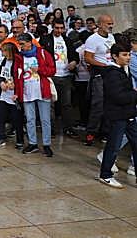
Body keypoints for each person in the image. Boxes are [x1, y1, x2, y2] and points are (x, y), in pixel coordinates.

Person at [98, 42, 137, 189]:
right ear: (115, 56)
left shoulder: (122, 70)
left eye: (129, 54)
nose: (128, 58)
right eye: (125, 55)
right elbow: (118, 96)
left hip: (129, 114)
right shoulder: (112, 73)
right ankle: (106, 175)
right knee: (113, 146)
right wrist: (135, 93)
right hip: (117, 115)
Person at [16, 33, 56, 156]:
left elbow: (52, 70)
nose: (21, 47)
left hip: (42, 90)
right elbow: (16, 76)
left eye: (22, 44)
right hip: (27, 91)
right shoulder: (19, 57)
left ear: (29, 43)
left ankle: (46, 144)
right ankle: (32, 143)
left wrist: (40, 70)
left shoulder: (42, 53)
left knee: (45, 119)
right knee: (30, 119)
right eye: (20, 44)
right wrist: (17, 92)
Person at [39, 18, 79, 137]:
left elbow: (74, 55)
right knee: (50, 103)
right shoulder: (45, 40)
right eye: (57, 28)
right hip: (51, 75)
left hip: (65, 75)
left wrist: (74, 62)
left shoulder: (67, 40)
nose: (59, 30)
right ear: (52, 27)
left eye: (61, 28)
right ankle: (49, 128)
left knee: (66, 104)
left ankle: (68, 128)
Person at [83, 14, 115, 145]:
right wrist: (104, 66)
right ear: (100, 24)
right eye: (108, 23)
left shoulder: (112, 37)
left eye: (112, 23)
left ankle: (106, 132)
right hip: (100, 74)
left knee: (110, 103)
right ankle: (91, 132)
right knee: (98, 104)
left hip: (112, 74)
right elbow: (88, 58)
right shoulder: (92, 39)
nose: (111, 26)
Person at [0, 43, 24, 149]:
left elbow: (21, 76)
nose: (2, 53)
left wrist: (15, 84)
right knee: (1, 117)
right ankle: (1, 138)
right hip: (4, 95)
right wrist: (1, 82)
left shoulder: (18, 61)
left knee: (17, 119)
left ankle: (20, 140)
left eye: (4, 51)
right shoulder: (5, 61)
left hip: (15, 95)